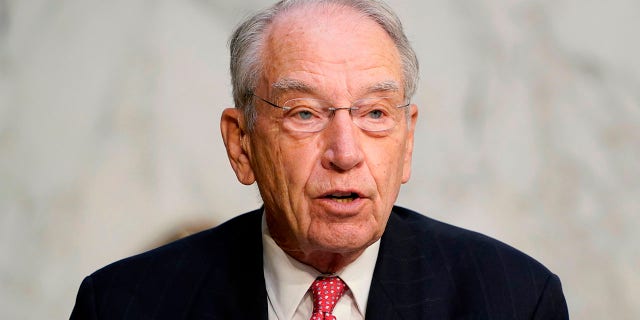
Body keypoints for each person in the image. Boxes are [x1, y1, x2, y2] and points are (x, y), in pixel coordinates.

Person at [70, 0, 569, 319]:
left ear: (408, 139)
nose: (345, 153)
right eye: (305, 113)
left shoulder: (515, 299)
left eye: (374, 113)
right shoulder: (124, 305)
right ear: (241, 144)